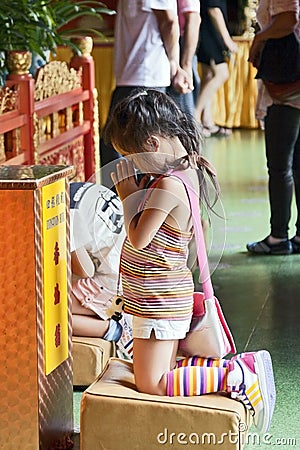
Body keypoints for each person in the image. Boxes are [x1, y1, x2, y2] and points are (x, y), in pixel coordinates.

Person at [104, 89, 276, 434]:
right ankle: (226, 371)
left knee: (151, 384)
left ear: (152, 143)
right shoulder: (183, 170)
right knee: (161, 374)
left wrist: (126, 194)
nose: (133, 168)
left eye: (133, 158)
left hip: (159, 301)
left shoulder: (168, 185)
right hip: (161, 297)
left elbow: (139, 236)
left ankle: (236, 374)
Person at [100, 0, 193, 188]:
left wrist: (174, 64)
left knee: (131, 146)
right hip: (134, 73)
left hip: (144, 73)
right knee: (123, 145)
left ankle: (133, 206)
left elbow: (169, 22)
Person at [247, 0, 300, 255]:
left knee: (280, 166)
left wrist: (259, 38)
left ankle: (279, 237)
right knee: (297, 163)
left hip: (288, 82)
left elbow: (288, 20)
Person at [70, 182, 133, 359]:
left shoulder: (62, 214)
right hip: (132, 263)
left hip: (116, 284)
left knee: (46, 312)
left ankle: (113, 329)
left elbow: (85, 270)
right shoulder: (76, 189)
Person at [195, 0, 238, 137]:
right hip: (209, 33)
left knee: (208, 76)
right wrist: (227, 40)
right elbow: (214, 10)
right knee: (221, 73)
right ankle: (195, 118)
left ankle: (207, 120)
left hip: (206, 31)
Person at [166, 0, 201, 116]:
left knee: (181, 113)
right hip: (171, 43)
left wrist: (186, 63)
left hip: (180, 45)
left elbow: (193, 19)